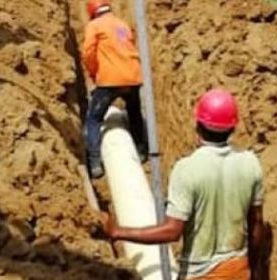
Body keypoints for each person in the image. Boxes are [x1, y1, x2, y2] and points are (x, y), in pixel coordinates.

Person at [104, 89, 267, 280]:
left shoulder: (186, 170)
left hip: (200, 274)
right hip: (238, 270)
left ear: (198, 126)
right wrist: (255, 270)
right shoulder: (251, 163)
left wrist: (119, 231)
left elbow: (172, 231)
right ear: (232, 128)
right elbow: (256, 223)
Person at [82, 0, 148, 179]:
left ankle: (95, 162)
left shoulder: (94, 26)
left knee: (94, 118)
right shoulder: (122, 25)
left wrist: (94, 73)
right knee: (134, 112)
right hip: (133, 77)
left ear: (92, 13)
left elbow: (88, 53)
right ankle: (141, 149)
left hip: (110, 80)